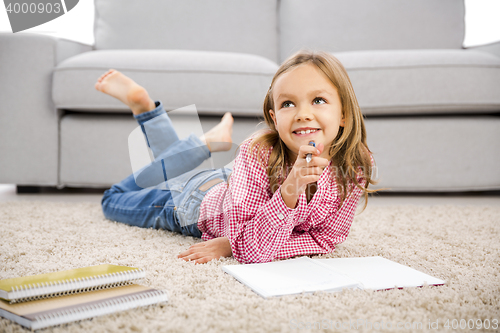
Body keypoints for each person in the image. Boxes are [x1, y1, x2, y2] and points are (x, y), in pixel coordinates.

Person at [98, 50, 378, 264]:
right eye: (288, 103)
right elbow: (251, 248)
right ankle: (194, 141)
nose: (303, 113)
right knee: (112, 199)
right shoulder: (257, 152)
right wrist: (289, 191)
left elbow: (327, 238)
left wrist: (235, 243)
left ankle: (171, 125)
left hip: (233, 184)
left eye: (318, 100)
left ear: (344, 113)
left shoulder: (355, 165)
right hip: (196, 206)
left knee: (177, 177)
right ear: (274, 117)